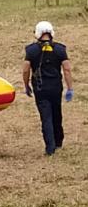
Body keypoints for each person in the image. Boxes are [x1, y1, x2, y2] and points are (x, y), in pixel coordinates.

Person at [22, 21, 74, 156]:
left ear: (37, 33)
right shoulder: (60, 49)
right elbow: (67, 69)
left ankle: (50, 147)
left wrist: (26, 85)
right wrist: (70, 88)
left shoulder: (31, 50)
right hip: (56, 87)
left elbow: (26, 70)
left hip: (40, 88)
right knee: (57, 113)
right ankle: (58, 141)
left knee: (46, 117)